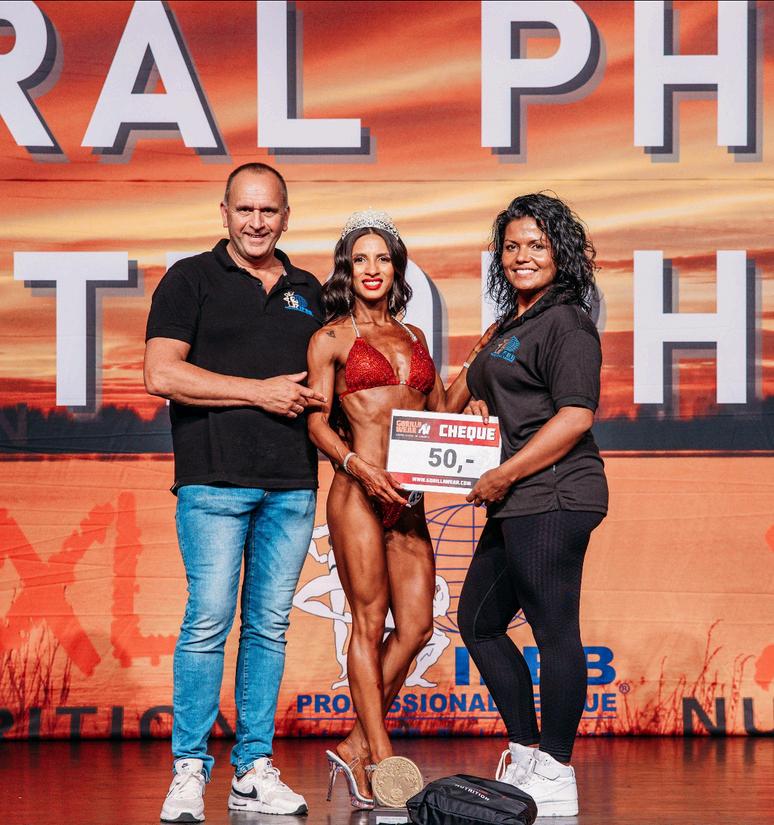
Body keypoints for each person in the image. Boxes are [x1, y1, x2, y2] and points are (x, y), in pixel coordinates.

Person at [144, 162, 326, 822]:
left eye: (268, 210)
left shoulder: (310, 290)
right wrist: (260, 393)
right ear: (224, 213)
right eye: (244, 209)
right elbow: (161, 373)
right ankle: (189, 769)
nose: (256, 222)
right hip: (214, 482)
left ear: (286, 216)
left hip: (292, 486)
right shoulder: (190, 278)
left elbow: (341, 381)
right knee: (208, 622)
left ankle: (253, 767)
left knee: (269, 627)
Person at [306, 210, 491, 808]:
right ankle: (380, 760)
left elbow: (438, 412)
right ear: (347, 268)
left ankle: (355, 743)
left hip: (408, 500)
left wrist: (474, 391)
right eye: (360, 258)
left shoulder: (414, 338)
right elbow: (316, 420)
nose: (372, 269)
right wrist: (355, 465)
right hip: (359, 492)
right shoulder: (331, 338)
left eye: (382, 258)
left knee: (415, 628)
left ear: (396, 268)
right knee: (368, 623)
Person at [458, 193, 608, 817]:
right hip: (517, 497)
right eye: (512, 246)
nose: (522, 256)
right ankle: (525, 753)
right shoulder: (510, 326)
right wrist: (476, 397)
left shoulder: (566, 322)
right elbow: (453, 399)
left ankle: (556, 769)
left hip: (554, 492)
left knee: (554, 631)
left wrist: (504, 474)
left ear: (560, 254)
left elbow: (575, 416)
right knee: (479, 622)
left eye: (537, 245)